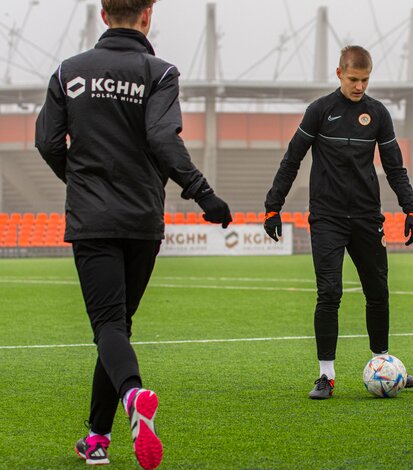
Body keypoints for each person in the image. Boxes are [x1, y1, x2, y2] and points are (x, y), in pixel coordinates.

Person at [34, 1, 232, 468]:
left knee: (108, 327)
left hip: (93, 220)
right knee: (117, 327)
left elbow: (46, 142)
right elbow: (164, 139)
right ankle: (98, 439)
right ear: (147, 14)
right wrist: (204, 195)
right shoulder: (159, 72)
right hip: (143, 220)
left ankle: (132, 396)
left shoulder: (68, 72)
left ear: (104, 15)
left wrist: (81, 181)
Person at [263, 45, 413, 399]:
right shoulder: (320, 111)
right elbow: (292, 160)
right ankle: (326, 376)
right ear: (339, 74)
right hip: (327, 218)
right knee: (329, 292)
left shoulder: (378, 113)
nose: (359, 86)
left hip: (367, 216)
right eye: (353, 79)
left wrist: (410, 208)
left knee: (378, 292)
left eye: (365, 80)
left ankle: (385, 365)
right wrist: (273, 206)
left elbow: (395, 165)